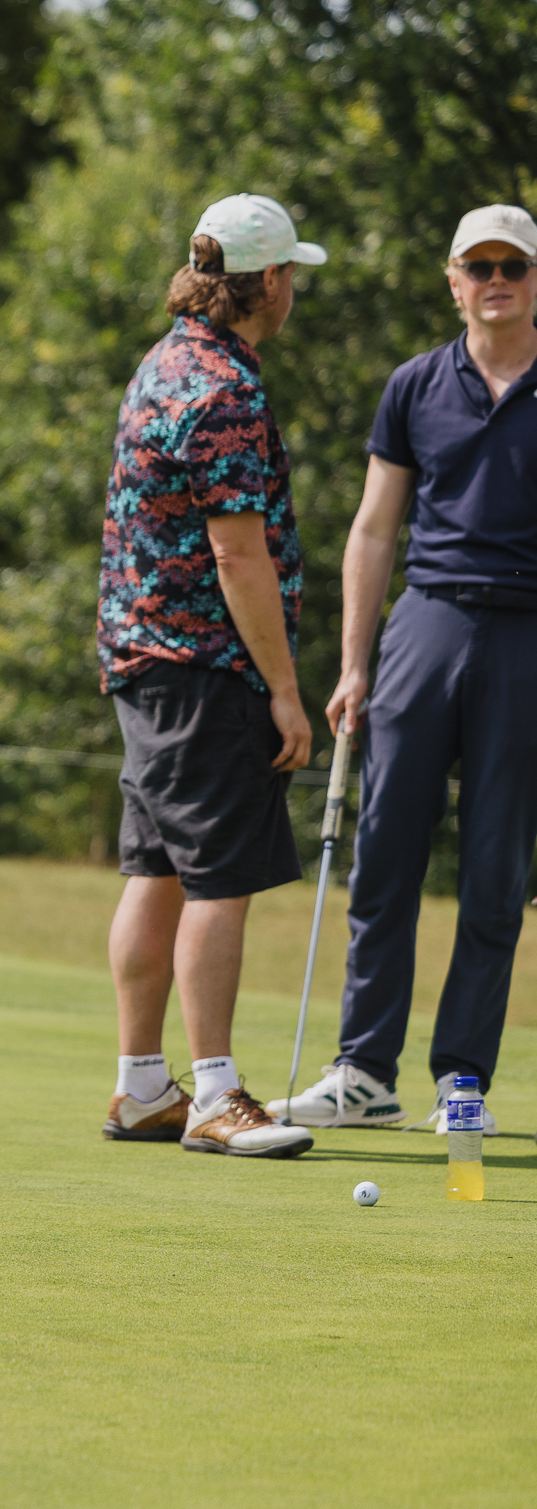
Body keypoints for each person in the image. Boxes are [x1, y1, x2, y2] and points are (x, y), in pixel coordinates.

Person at [269, 204, 537, 1137]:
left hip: (526, 633)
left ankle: (461, 1079)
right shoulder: (414, 384)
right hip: (425, 621)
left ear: (534, 279)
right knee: (384, 850)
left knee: (496, 869)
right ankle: (362, 1071)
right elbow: (374, 529)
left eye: (512, 265)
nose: (495, 279)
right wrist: (353, 663)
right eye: (479, 265)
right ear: (453, 280)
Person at [97, 194, 326, 1160]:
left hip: (145, 663)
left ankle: (142, 1087)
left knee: (155, 870)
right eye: (290, 275)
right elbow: (238, 555)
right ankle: (216, 1095)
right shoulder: (225, 387)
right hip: (203, 668)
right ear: (267, 280)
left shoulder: (164, 361)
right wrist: (283, 688)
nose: (291, 290)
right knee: (216, 880)